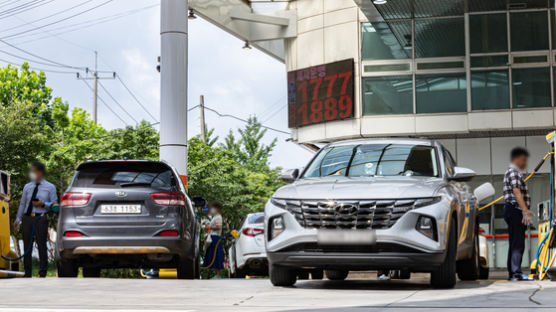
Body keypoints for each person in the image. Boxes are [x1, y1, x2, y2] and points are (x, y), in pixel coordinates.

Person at [13, 162, 58, 277]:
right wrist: (18, 219)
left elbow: (54, 204)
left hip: (41, 218)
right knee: (27, 245)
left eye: (33, 171)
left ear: (40, 172)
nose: (31, 174)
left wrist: (43, 204)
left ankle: (42, 273)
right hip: (27, 218)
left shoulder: (50, 187)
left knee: (41, 245)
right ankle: (27, 273)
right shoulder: (27, 186)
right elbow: (23, 204)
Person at [503, 147, 532, 281]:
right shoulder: (514, 173)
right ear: (517, 159)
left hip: (511, 209)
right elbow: (517, 192)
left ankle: (513, 273)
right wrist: (525, 211)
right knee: (518, 242)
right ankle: (516, 273)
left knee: (514, 241)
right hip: (515, 210)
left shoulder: (511, 172)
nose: (525, 163)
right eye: (523, 160)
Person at [203, 202, 224, 278]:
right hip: (212, 237)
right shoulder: (214, 217)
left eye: (213, 208)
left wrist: (209, 227)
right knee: (212, 256)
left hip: (216, 238)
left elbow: (218, 227)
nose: (212, 210)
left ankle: (218, 274)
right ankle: (216, 274)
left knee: (216, 255)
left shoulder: (218, 217)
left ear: (217, 209)